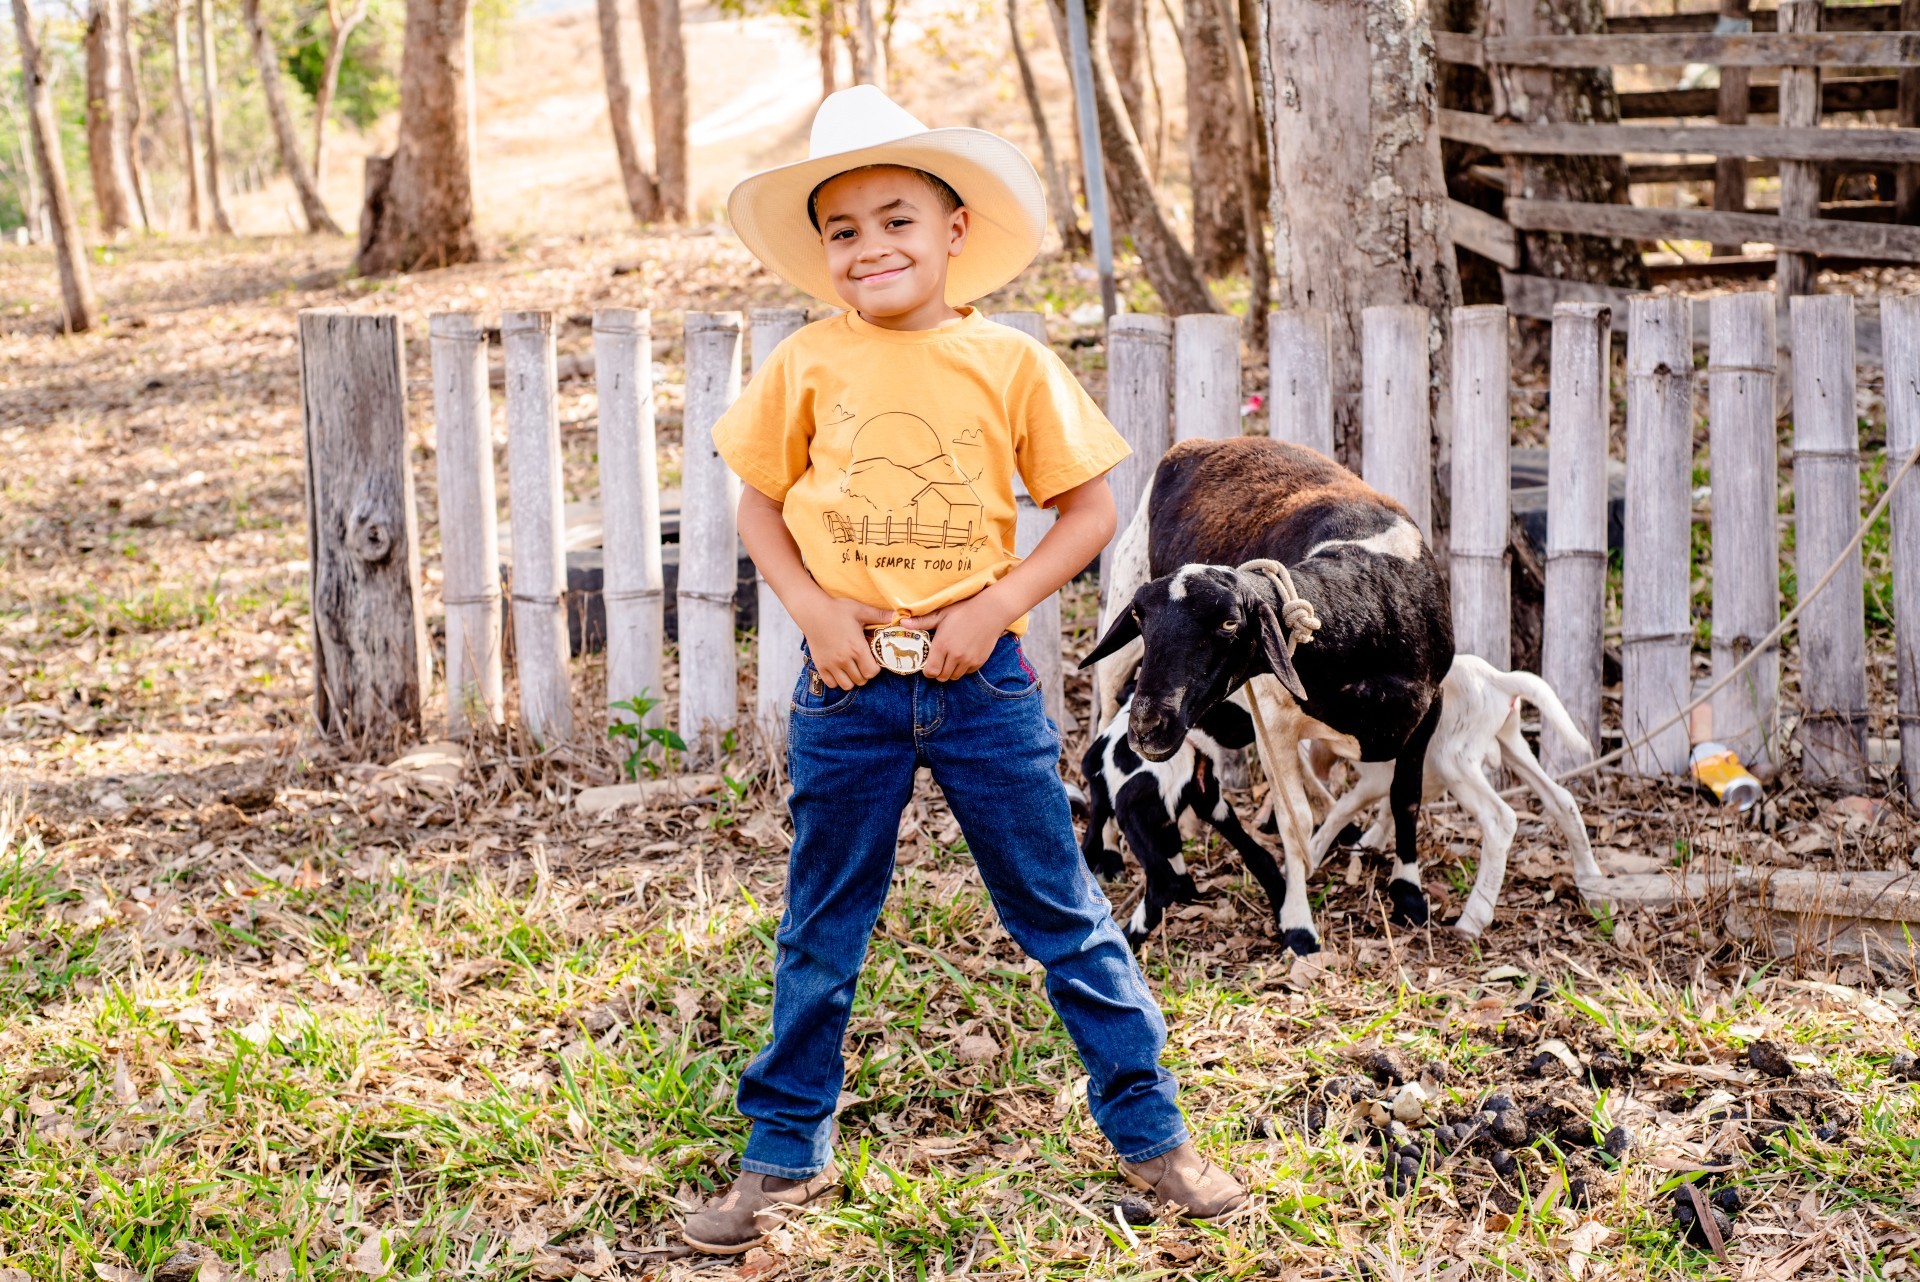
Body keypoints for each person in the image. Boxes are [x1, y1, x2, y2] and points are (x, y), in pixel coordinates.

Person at [683, 84, 1247, 1256]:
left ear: (953, 232)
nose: (868, 246)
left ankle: (1152, 1137)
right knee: (822, 922)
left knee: (1060, 910)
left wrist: (999, 604)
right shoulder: (804, 363)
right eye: (841, 230)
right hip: (847, 688)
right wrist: (809, 608)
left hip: (979, 686)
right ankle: (782, 1155)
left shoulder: (1008, 360)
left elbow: (1088, 511)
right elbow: (758, 504)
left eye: (895, 218)